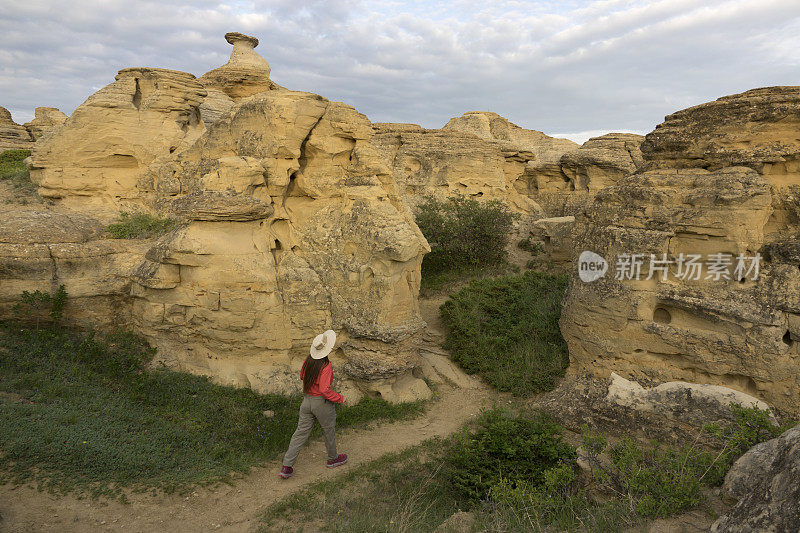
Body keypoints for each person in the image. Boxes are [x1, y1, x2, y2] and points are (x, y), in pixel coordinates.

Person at [279, 329, 348, 479]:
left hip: (307, 401)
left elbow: (302, 376)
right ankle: (332, 459)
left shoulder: (308, 360)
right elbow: (324, 390)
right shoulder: (326, 365)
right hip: (321, 403)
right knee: (328, 430)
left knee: (300, 433)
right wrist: (340, 398)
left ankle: (286, 466)